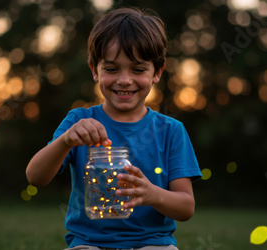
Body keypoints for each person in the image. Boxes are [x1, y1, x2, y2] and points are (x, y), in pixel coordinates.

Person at [26, 7, 201, 250]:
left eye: (138, 69)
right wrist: (65, 140)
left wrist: (152, 194)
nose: (124, 79)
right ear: (94, 70)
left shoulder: (171, 130)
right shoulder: (79, 121)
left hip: (153, 243)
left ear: (157, 73)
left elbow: (186, 207)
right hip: (89, 243)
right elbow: (35, 177)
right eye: (111, 69)